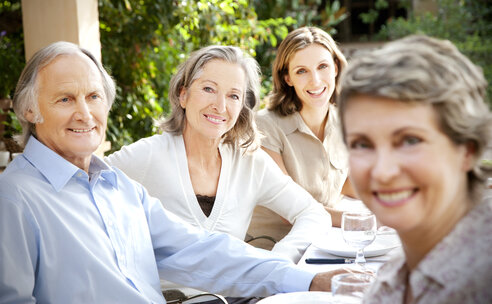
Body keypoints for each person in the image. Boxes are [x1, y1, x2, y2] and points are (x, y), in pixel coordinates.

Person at [0, 41, 343, 304]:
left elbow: (201, 251)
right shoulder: (13, 198)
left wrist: (308, 280)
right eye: (65, 99)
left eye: (93, 96)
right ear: (30, 109)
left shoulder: (118, 187)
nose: (85, 113)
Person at [105, 44, 331, 264]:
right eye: (208, 89)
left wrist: (278, 259)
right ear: (183, 95)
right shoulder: (148, 155)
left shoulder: (250, 162)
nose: (220, 106)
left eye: (233, 96)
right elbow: (81, 184)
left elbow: (312, 213)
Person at [338, 35, 492, 303]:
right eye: (362, 144)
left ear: (466, 149)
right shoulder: (391, 278)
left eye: (410, 141)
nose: (383, 172)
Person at [247, 26, 355, 252]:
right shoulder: (265, 126)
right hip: (274, 251)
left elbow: (343, 183)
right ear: (287, 78)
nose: (315, 81)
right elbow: (292, 209)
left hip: (326, 244)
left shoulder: (346, 122)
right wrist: (362, 221)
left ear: (335, 67)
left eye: (322, 66)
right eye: (302, 71)